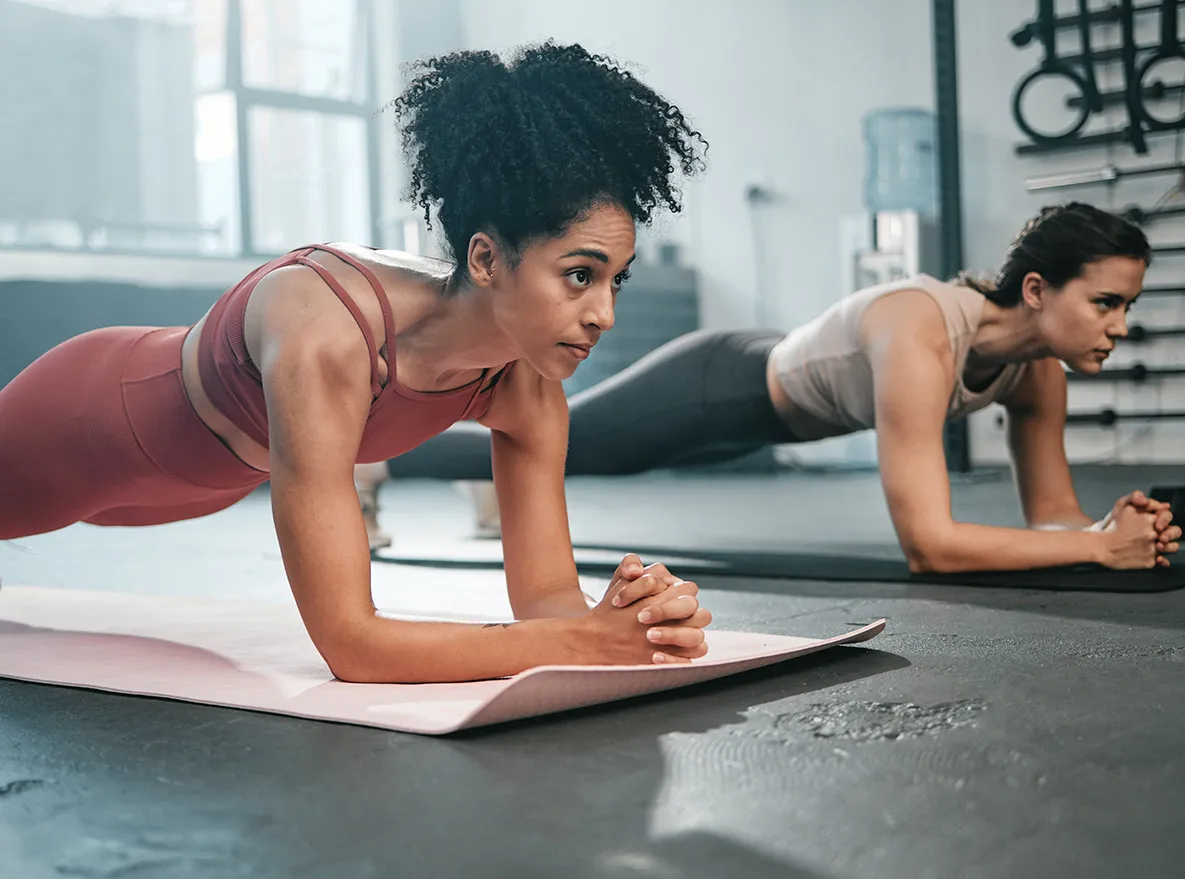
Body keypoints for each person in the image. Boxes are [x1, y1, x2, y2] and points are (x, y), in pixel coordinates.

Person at [0, 43, 715, 682]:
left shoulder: (527, 391)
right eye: (579, 274)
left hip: (208, 482)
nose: (604, 313)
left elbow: (547, 602)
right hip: (91, 423)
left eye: (616, 279)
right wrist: (582, 642)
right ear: (487, 258)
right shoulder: (330, 332)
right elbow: (353, 645)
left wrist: (626, 619)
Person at [370, 202, 1184, 573]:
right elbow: (931, 547)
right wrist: (1092, 546)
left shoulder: (1035, 372)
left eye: (1128, 306)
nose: (1119, 325)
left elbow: (1053, 518)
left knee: (572, 453)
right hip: (719, 381)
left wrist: (1109, 527)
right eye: (1105, 302)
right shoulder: (923, 330)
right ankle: (375, 462)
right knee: (568, 445)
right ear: (1038, 290)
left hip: (775, 403)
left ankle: (470, 473)